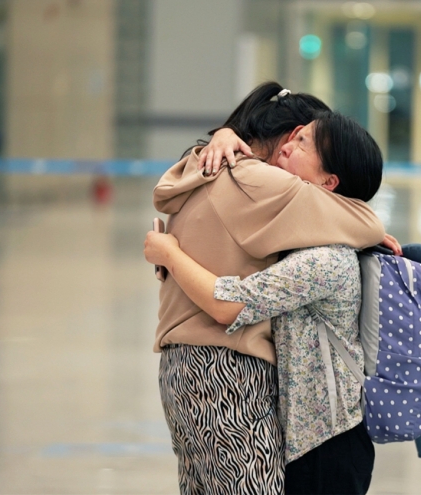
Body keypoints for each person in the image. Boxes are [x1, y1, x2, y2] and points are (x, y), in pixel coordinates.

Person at [147, 82, 390, 494]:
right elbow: (368, 223)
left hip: (178, 368)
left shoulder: (202, 167)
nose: (292, 148)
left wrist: (226, 134)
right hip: (229, 371)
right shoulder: (264, 185)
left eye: (306, 142)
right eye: (298, 136)